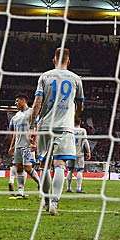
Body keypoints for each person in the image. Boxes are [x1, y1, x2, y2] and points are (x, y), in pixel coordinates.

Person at [31, 48, 84, 215]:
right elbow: (81, 104)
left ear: (54, 59)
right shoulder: (76, 79)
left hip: (46, 126)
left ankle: (46, 200)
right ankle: (54, 202)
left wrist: (33, 124)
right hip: (65, 127)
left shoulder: (45, 76)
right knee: (60, 165)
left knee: (44, 165)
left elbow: (37, 103)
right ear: (68, 61)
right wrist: (76, 118)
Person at [7, 94, 41, 199]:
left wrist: (35, 142)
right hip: (18, 145)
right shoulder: (15, 117)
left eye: (17, 101)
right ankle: (20, 191)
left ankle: (40, 183)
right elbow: (14, 133)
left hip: (27, 145)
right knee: (19, 168)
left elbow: (37, 128)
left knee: (27, 168)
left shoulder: (32, 112)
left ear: (23, 101)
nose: (16, 103)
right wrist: (11, 146)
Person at [66, 118, 91, 193]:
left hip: (70, 152)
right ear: (80, 122)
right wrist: (88, 152)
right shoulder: (82, 130)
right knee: (80, 170)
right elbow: (85, 141)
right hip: (79, 153)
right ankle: (78, 188)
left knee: (70, 170)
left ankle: (68, 188)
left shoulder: (69, 130)